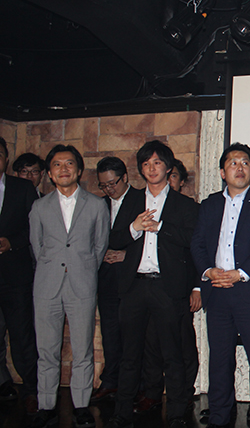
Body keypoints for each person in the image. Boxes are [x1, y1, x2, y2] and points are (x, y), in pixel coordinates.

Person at [107, 140, 199, 428]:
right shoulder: (132, 200)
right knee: (130, 354)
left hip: (166, 287)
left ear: (168, 167)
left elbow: (192, 241)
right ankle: (122, 412)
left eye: (157, 162)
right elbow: (115, 238)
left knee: (173, 354)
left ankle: (176, 413)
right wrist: (135, 227)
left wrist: (160, 227)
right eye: (146, 164)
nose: (151, 168)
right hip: (134, 286)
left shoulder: (184, 204)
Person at [191, 143, 250, 428]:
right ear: (222, 172)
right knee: (219, 360)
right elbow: (197, 243)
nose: (239, 168)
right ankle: (219, 416)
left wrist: (240, 273)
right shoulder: (209, 205)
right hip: (217, 292)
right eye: (233, 163)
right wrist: (209, 272)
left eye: (245, 163)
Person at [29, 145, 109, 428]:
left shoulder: (96, 205)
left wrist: (82, 269)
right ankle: (46, 405)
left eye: (69, 164)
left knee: (83, 349)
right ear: (50, 174)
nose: (64, 169)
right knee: (46, 350)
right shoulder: (39, 207)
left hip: (81, 284)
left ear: (79, 169)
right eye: (57, 165)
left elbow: (99, 246)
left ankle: (81, 405)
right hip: (46, 286)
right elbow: (37, 247)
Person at [92, 157, 144, 402]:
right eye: (103, 185)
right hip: (106, 280)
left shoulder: (142, 199)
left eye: (112, 183)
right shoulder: (98, 204)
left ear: (125, 178)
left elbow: (152, 241)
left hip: (133, 280)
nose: (109, 189)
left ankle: (137, 386)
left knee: (135, 336)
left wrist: (127, 255)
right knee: (110, 333)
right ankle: (111, 381)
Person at [0, 137, 39, 414]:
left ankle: (31, 390)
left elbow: (35, 229)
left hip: (15, 276)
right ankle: (2, 382)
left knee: (22, 335)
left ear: (6, 159)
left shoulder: (23, 188)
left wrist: (11, 242)